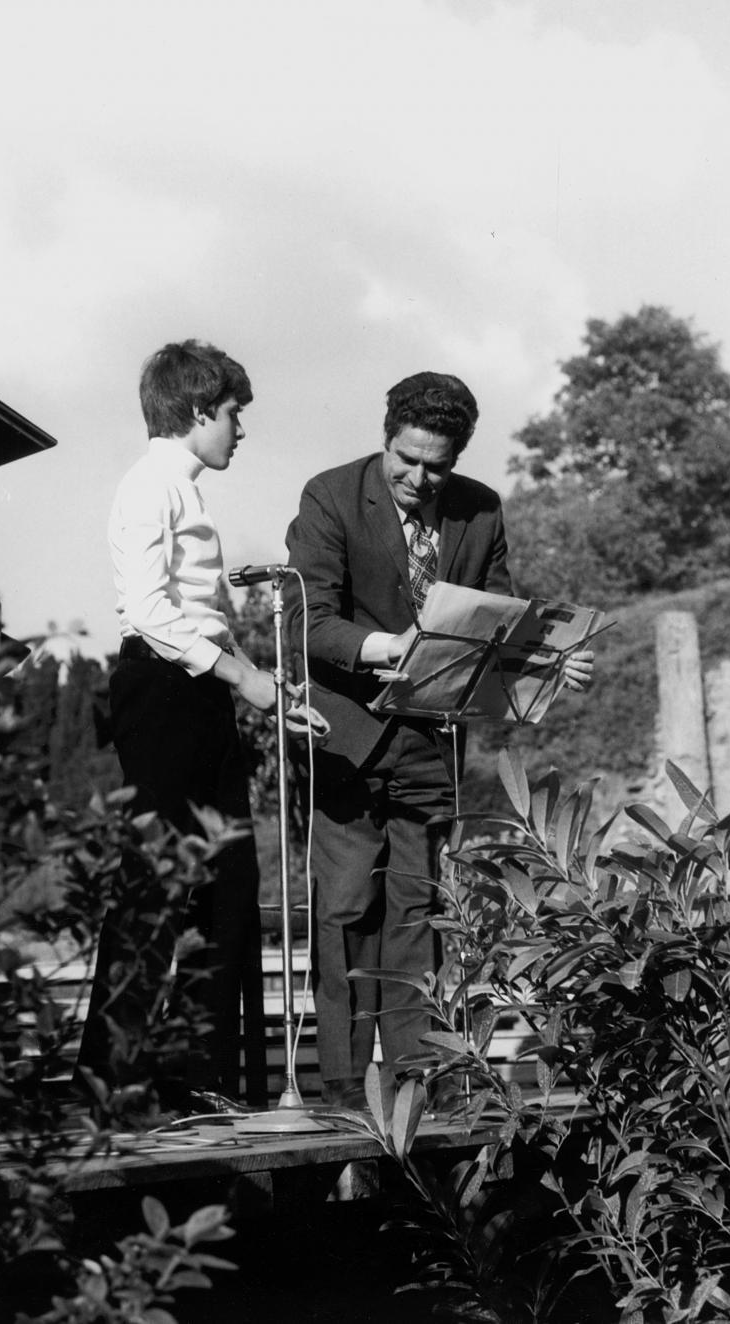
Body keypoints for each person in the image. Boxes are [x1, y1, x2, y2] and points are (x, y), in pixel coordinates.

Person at [284, 372, 594, 1108]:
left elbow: (496, 624)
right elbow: (307, 619)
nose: (420, 478)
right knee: (346, 911)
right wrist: (386, 648)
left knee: (420, 916)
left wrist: (552, 659)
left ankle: (418, 1089)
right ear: (385, 434)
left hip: (432, 741)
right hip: (347, 736)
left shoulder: (481, 511)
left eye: (437, 466)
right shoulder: (329, 496)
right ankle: (340, 1095)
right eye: (407, 459)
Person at [75, 339, 284, 1114]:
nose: (240, 430)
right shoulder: (148, 487)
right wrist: (241, 677)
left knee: (230, 887)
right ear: (198, 412)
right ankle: (106, 1082)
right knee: (153, 888)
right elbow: (146, 610)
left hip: (198, 690)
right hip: (161, 692)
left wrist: (254, 671)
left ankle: (197, 1076)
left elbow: (194, 613)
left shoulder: (187, 490)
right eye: (233, 415)